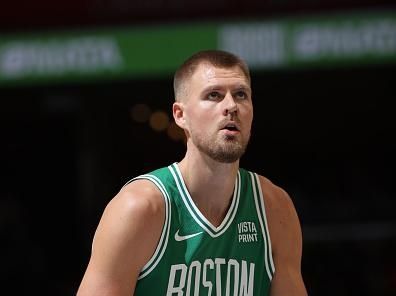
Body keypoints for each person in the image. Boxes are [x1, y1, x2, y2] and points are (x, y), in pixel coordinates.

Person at [77, 49, 308, 296]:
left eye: (241, 94)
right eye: (213, 95)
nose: (231, 106)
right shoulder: (140, 209)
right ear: (180, 115)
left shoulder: (274, 208)